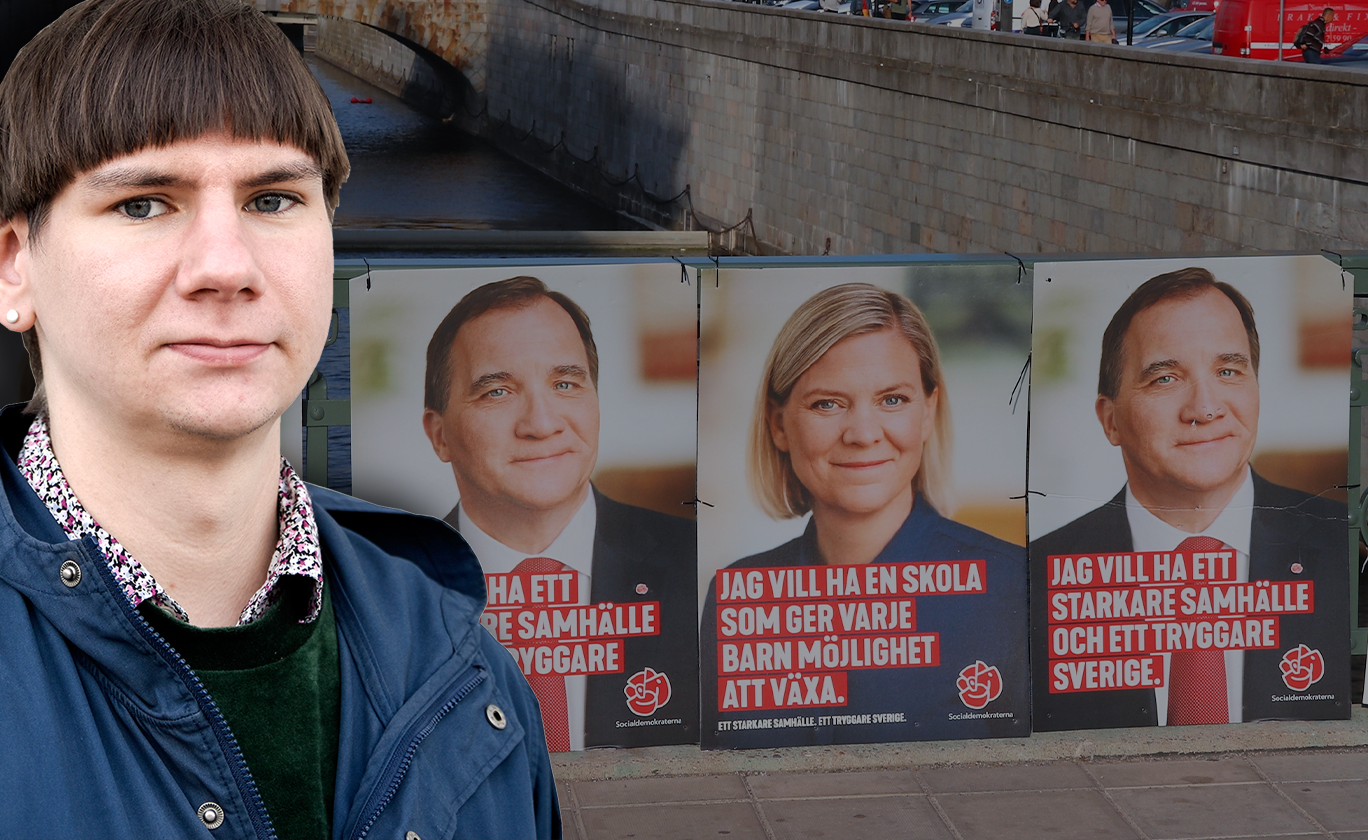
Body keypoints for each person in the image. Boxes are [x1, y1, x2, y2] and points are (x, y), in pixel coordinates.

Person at [0, 0, 560, 838]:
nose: (225, 266)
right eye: (144, 203)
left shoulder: (469, 677)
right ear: (8, 263)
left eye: (273, 200)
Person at [702, 284, 1028, 746]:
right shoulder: (738, 598)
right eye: (827, 404)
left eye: (892, 400)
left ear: (927, 413)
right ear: (779, 425)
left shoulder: (1013, 589)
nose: (862, 434)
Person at [1030, 268, 1349, 731]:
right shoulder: (1036, 582)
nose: (1204, 408)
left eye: (1228, 371)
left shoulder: (1346, 546)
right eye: (1165, 378)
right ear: (1110, 420)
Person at [422, 277, 698, 751]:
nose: (542, 424)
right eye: (497, 392)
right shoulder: (392, 590)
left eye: (565, 384)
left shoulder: (698, 565)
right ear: (440, 435)